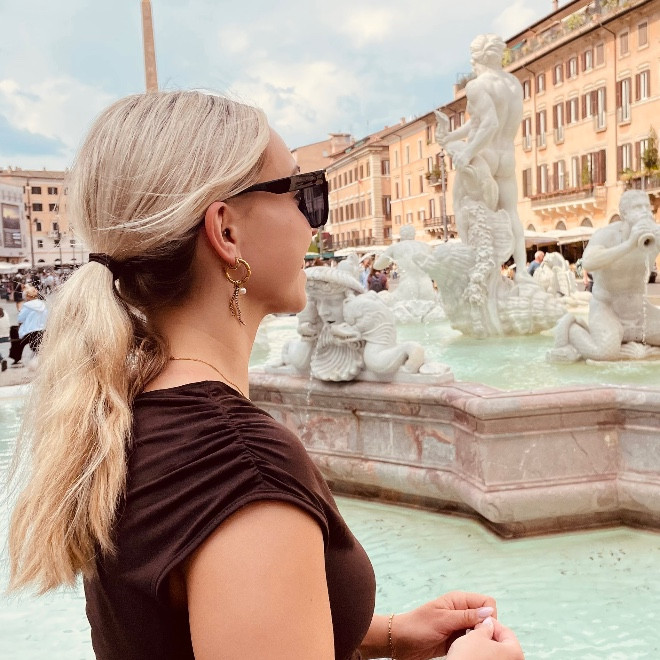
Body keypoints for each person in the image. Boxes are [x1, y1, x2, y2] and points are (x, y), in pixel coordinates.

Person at [8, 91, 524, 660]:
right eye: (303, 194)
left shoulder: (132, 409)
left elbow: (183, 626)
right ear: (226, 232)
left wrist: (387, 633)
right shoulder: (240, 465)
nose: (312, 224)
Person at [435, 34, 527, 278]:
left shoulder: (477, 85)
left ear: (476, 58)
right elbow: (477, 122)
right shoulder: (514, 84)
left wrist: (467, 152)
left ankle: (475, 265)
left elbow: (489, 123)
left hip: (484, 154)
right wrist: (451, 136)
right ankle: (523, 272)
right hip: (506, 156)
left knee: (461, 204)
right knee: (511, 213)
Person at [551, 189, 660, 361]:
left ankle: (628, 341)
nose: (645, 212)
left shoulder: (655, 234)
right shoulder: (606, 235)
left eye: (647, 207)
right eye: (638, 207)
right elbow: (588, 262)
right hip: (607, 308)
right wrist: (629, 245)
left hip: (640, 312)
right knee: (605, 352)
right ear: (624, 214)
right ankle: (572, 328)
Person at [8, 284, 47, 366]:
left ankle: (16, 359)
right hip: (41, 330)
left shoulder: (27, 306)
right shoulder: (42, 305)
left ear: (27, 297)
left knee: (15, 336)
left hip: (29, 331)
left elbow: (20, 319)